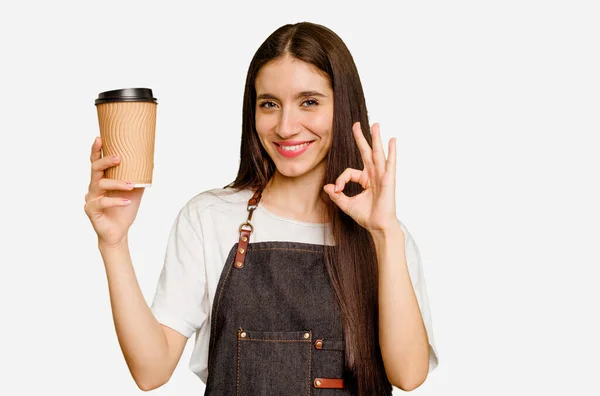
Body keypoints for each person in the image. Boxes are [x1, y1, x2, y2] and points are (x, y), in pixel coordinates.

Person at [84, 21, 439, 395]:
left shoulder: (384, 237)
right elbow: (150, 370)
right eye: (269, 104)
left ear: (343, 105)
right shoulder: (209, 218)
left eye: (309, 102)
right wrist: (114, 242)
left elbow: (409, 375)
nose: (286, 126)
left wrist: (385, 234)